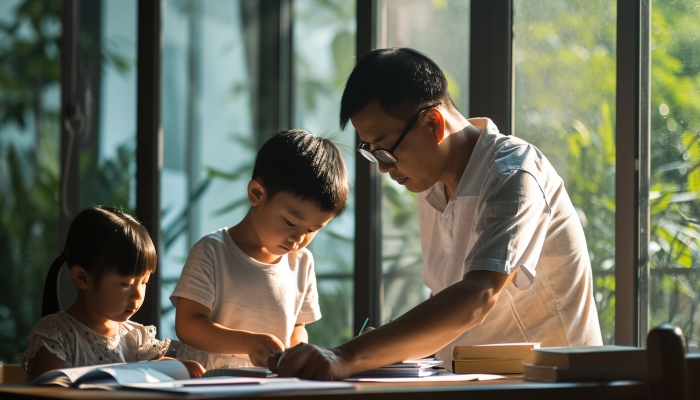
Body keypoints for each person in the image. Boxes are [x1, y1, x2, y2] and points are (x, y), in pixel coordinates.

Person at [267, 47, 603, 380]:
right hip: (475, 382)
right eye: (372, 153)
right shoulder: (430, 188)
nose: (383, 168)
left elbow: (478, 295)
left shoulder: (513, 173)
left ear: (432, 123)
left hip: (553, 385)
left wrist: (344, 356)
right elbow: (444, 298)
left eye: (385, 149)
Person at [171, 129, 349, 370]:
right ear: (256, 194)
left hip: (269, 384)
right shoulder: (213, 251)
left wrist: (296, 353)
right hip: (212, 382)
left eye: (311, 230)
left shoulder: (302, 263)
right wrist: (248, 343)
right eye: (290, 223)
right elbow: (188, 325)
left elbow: (297, 328)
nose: (298, 238)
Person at [21, 206, 205, 381]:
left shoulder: (135, 338)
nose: (138, 295)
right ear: (82, 277)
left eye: (144, 282)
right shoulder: (56, 336)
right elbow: (49, 390)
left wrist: (183, 367)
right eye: (125, 284)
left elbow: (157, 369)